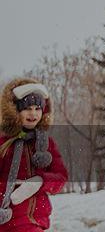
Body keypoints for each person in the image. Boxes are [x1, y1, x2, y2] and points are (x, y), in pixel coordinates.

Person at [0, 79, 68, 232]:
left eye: (38, 108)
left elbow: (61, 177)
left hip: (37, 220)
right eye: (27, 108)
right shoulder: (4, 143)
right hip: (9, 221)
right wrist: (10, 188)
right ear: (15, 111)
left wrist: (39, 182)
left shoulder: (46, 144)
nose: (33, 113)